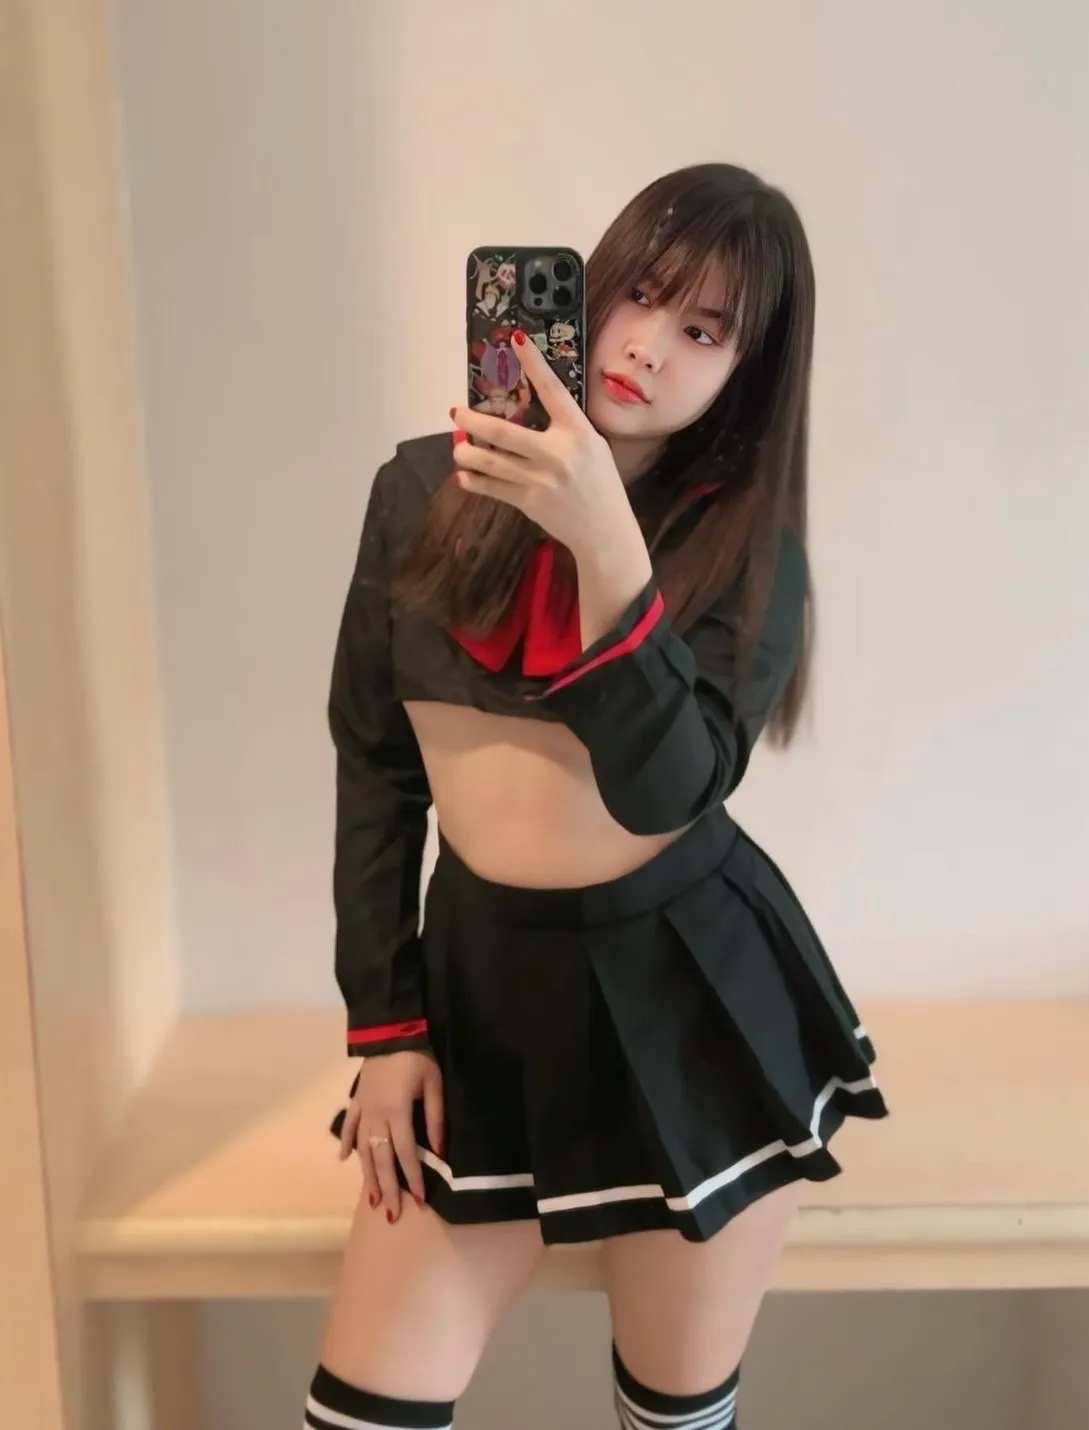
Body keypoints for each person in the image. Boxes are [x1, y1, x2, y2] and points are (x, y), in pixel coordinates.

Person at [305, 163, 888, 1430]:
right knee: (361, 1414)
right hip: (480, 995)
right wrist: (385, 1028)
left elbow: (669, 788)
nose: (646, 347)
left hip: (688, 993)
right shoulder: (418, 488)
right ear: (589, 286)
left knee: (673, 1416)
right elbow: (376, 762)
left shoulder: (750, 550)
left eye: (704, 332)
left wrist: (607, 547)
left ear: (748, 374)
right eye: (642, 294)